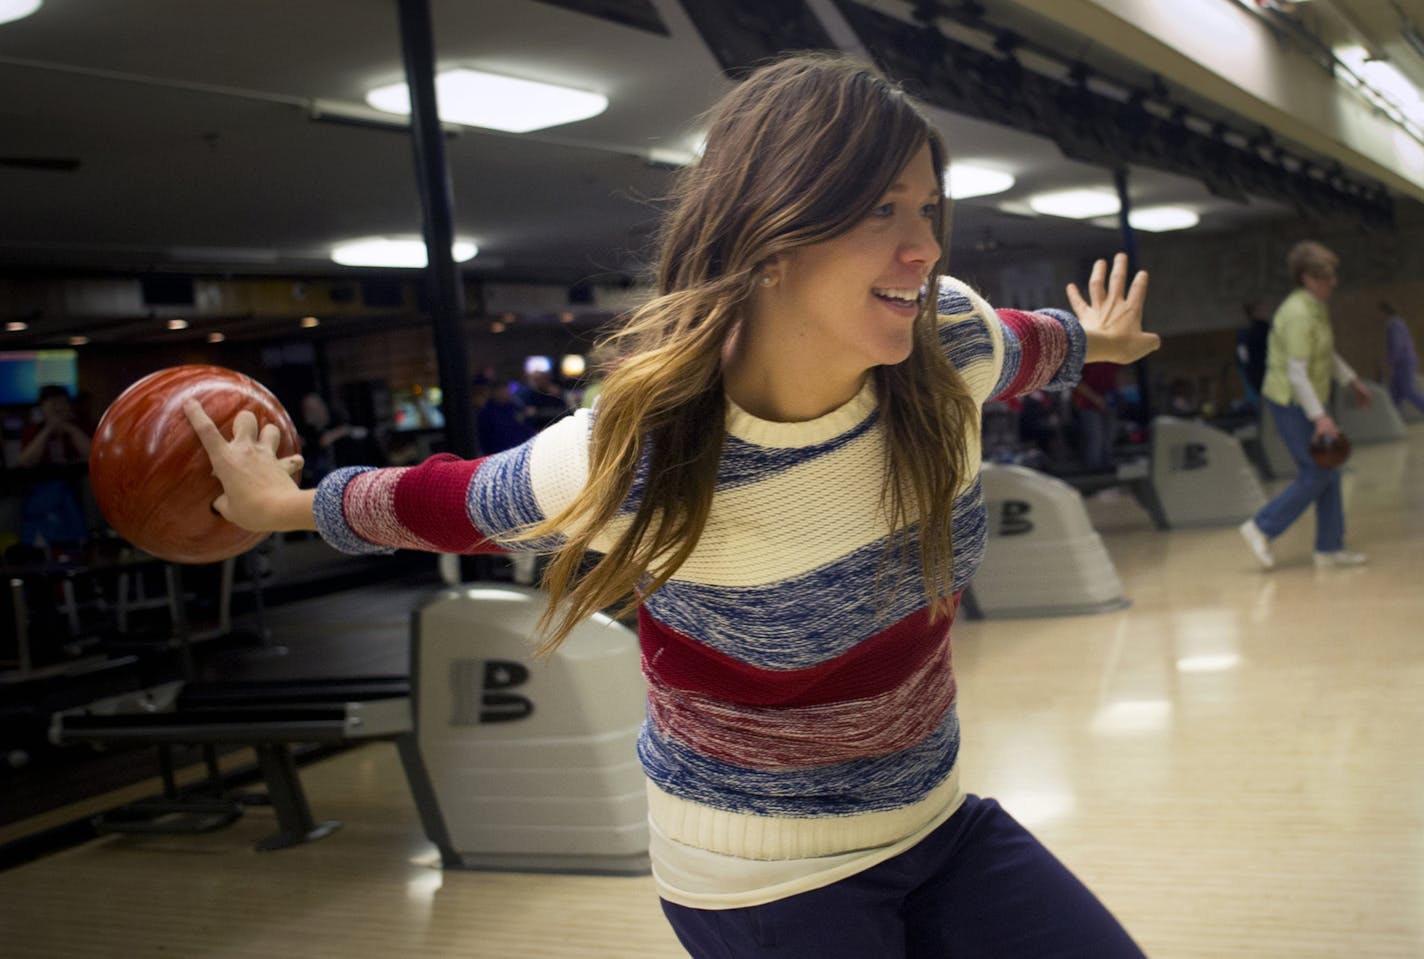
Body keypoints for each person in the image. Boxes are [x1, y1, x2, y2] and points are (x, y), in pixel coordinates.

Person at [185, 54, 1158, 958]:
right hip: (765, 877)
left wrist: (1098, 342)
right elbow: (457, 499)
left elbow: (1033, 343)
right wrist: (285, 504)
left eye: (927, 209)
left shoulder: (944, 340)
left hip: (932, 818)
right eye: (878, 212)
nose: (921, 247)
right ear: (771, 234)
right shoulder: (652, 446)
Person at [1239, 241, 1371, 570]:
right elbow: (1297, 373)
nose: (1334, 282)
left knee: (1329, 469)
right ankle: (1261, 527)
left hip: (1309, 397)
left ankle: (1329, 548)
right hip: (1290, 400)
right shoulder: (1297, 314)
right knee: (1317, 471)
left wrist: (1351, 380)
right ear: (1309, 278)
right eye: (1327, 276)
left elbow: (1325, 354)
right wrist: (1321, 418)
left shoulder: (1315, 307)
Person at [297, 392, 368, 483]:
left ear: (321, 407)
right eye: (305, 409)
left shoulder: (338, 420)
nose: (307, 413)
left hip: (350, 475)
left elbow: (365, 432)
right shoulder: (307, 431)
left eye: (311, 408)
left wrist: (342, 432)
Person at [17, 384, 91, 467]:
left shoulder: (81, 425)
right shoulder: (32, 429)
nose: (58, 408)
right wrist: (48, 429)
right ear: (42, 408)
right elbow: (24, 461)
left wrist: (71, 429)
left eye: (62, 403)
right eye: (53, 405)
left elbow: (92, 455)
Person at [1072, 361, 1119, 472]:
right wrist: (1096, 399)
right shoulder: (1086, 359)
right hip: (1087, 404)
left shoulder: (1112, 357)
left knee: (1109, 435)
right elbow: (1077, 382)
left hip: (1109, 401)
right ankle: (1094, 471)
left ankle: (1107, 466)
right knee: (1095, 437)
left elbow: (1117, 375)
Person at [1382, 301, 1424, 415]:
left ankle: (1394, 416)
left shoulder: (1394, 325)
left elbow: (1397, 345)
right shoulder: (1400, 323)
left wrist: (1391, 361)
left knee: (1406, 389)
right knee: (1395, 392)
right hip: (1404, 361)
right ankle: (1393, 417)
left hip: (1403, 362)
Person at [1235, 299, 1272, 408]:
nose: (1265, 311)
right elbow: (1243, 354)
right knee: (1257, 397)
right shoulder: (1250, 330)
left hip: (1257, 367)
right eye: (1262, 309)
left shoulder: (1264, 327)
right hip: (1257, 368)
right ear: (1255, 312)